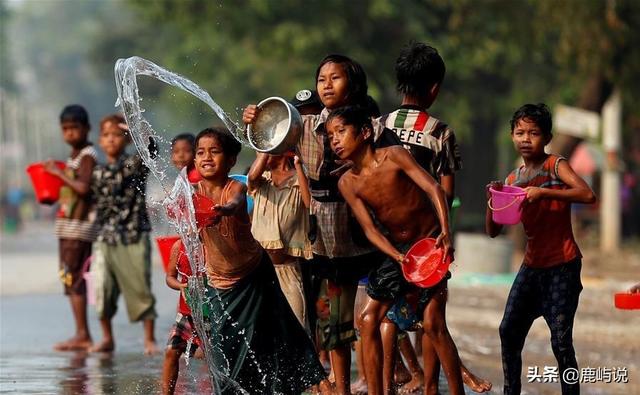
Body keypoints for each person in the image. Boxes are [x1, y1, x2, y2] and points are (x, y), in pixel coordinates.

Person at [243, 54, 399, 394]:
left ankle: (384, 385)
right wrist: (254, 121)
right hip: (327, 236)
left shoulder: (375, 127)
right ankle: (341, 390)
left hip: (372, 230)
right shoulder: (304, 126)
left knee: (377, 320)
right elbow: (269, 138)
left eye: (335, 78)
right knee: (334, 327)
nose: (326, 85)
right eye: (321, 79)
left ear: (353, 84)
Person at [324, 105, 464, 395]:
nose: (334, 140)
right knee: (367, 319)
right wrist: (397, 256)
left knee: (432, 323)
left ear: (364, 133)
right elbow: (370, 230)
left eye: (341, 132)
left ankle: (455, 390)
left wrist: (446, 233)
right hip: (398, 251)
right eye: (330, 135)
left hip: (429, 243)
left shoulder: (395, 156)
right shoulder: (347, 182)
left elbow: (434, 190)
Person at [378, 41, 491, 394]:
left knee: (387, 316)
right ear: (435, 88)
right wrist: (445, 233)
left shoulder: (378, 125)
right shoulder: (439, 132)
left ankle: (386, 384)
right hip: (427, 239)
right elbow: (447, 192)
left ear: (399, 83)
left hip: (386, 237)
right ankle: (430, 387)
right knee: (433, 318)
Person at [193, 127, 327, 394]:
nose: (206, 157)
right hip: (220, 285)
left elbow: (235, 201)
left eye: (214, 151)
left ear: (230, 160)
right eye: (200, 153)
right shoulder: (192, 193)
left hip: (253, 277)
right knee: (223, 351)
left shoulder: (237, 186)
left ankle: (312, 385)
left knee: (273, 338)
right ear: (194, 161)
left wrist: (225, 210)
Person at [486, 103, 596, 395]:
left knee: (560, 342)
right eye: (520, 132)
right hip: (532, 267)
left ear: (546, 138)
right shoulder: (513, 179)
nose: (525, 138)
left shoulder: (555, 165)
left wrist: (543, 192)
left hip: (563, 264)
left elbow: (587, 193)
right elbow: (494, 230)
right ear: (512, 136)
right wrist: (492, 200)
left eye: (533, 133)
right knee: (508, 330)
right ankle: (512, 391)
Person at [90, 114, 158, 355]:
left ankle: (149, 339)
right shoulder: (97, 171)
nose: (111, 140)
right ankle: (107, 338)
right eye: (106, 135)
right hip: (104, 237)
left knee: (139, 286)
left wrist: (135, 128)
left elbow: (151, 149)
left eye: (116, 135)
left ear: (127, 139)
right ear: (99, 141)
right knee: (102, 289)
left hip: (133, 235)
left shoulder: (133, 164)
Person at [44, 104, 99, 351]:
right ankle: (81, 333)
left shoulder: (87, 155)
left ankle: (82, 334)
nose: (69, 134)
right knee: (69, 277)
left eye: (74, 128)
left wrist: (58, 174)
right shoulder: (74, 157)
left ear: (86, 128)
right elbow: (72, 191)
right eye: (65, 129)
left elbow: (84, 189)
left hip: (78, 229)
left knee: (74, 278)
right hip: (68, 227)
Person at [247, 151, 312, 327]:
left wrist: (298, 165)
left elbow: (309, 203)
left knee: (298, 325)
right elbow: (252, 176)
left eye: (265, 152)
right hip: (260, 271)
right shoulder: (262, 180)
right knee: (263, 330)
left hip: (287, 270)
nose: (259, 156)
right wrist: (264, 152)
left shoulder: (299, 178)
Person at [161, 239, 202, 394]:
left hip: (211, 313)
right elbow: (170, 277)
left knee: (217, 359)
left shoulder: (214, 242)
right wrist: (180, 286)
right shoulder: (179, 246)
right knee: (172, 350)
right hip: (186, 313)